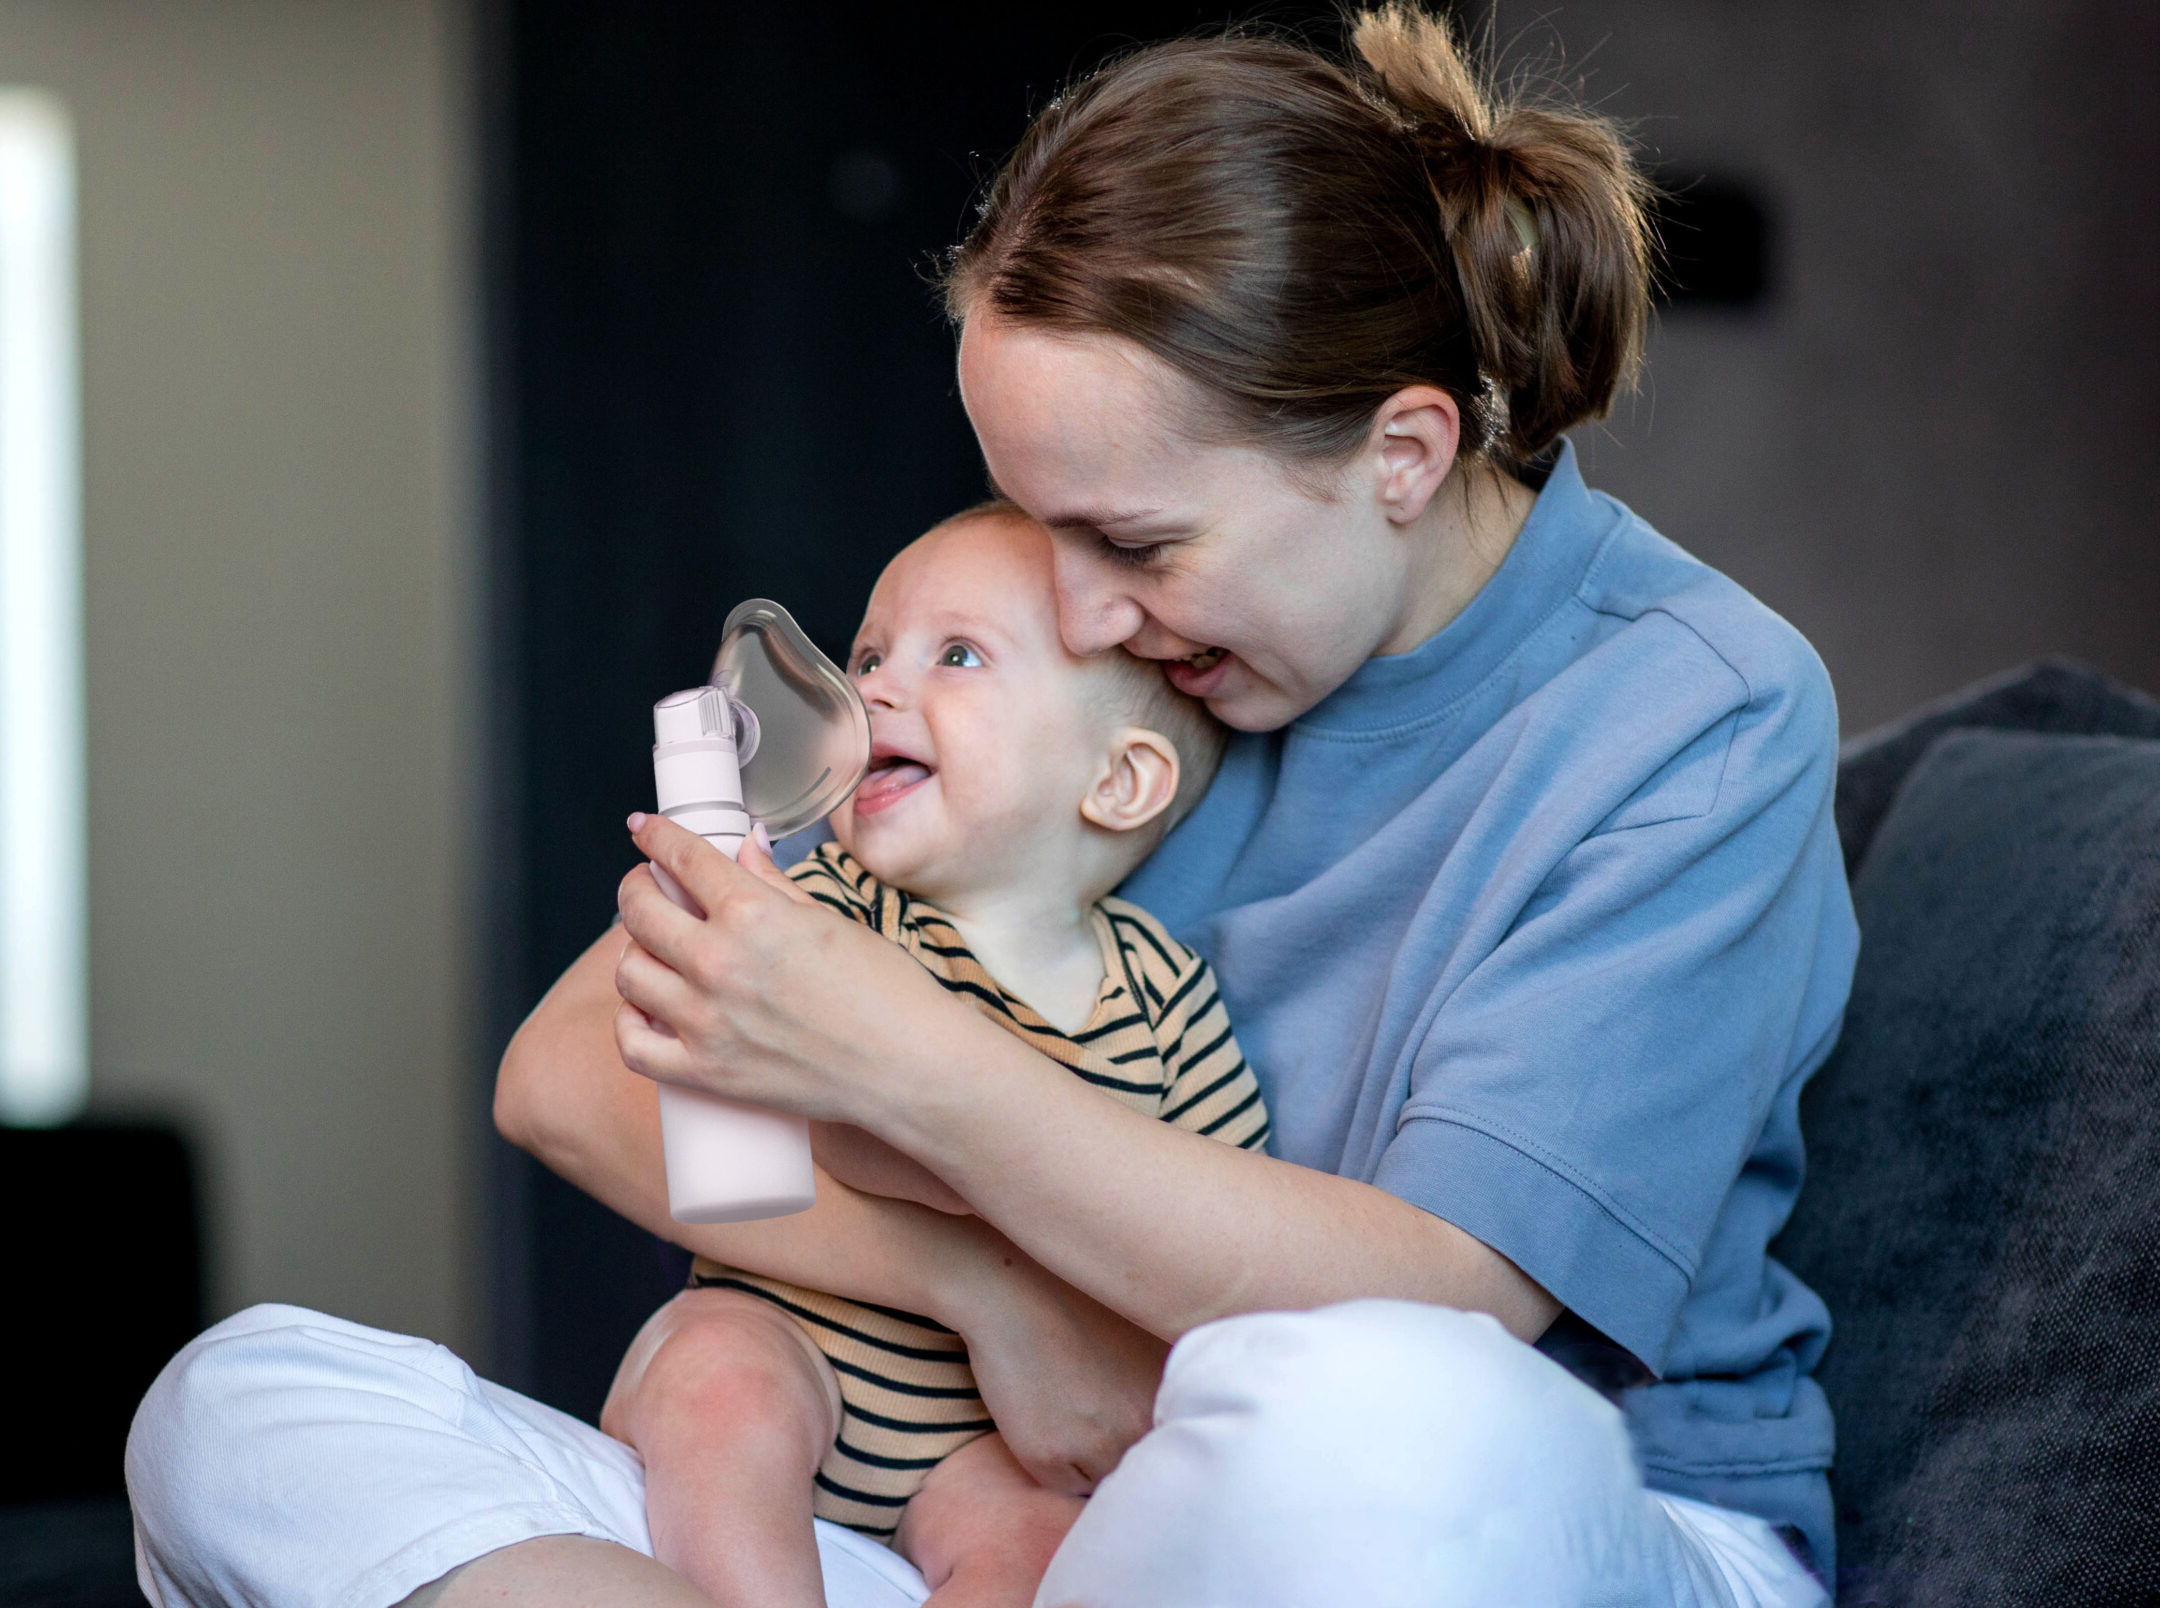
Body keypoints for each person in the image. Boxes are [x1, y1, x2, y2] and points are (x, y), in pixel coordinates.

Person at [125, 10, 1853, 1606]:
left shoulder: (1695, 711)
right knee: (241, 1409)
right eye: (1048, 527)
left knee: (1397, 1417)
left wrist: (910, 1065)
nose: (1085, 612)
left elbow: (1441, 1305)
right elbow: (575, 1072)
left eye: (1136, 543)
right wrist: (989, 1291)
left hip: (1504, 1513)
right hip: (1033, 1503)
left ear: (1401, 455)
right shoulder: (1126, 649)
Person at [607, 504, 1265, 1608]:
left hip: (987, 1438)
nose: (867, 690)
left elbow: (1217, 1234)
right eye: (866, 655)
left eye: (954, 656)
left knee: (1046, 1554)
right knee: (718, 1392)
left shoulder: (1163, 998)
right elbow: (747, 1104)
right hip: (786, 1345)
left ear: (1118, 781)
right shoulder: (817, 917)